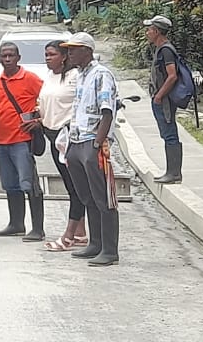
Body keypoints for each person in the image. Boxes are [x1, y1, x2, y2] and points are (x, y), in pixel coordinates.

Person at [61, 32, 120, 267]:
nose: (70, 53)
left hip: (92, 141)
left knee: (103, 197)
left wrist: (98, 142)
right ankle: (95, 243)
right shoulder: (81, 75)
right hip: (77, 140)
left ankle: (110, 249)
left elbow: (108, 110)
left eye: (74, 49)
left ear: (86, 50)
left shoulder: (101, 74)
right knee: (87, 196)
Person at [0, 42, 46, 242]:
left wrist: (39, 121)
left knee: (29, 184)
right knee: (10, 184)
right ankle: (16, 224)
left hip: (23, 140)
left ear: (18, 57)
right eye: (4, 56)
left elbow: (48, 100)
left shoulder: (30, 79)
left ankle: (38, 228)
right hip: (2, 140)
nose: (7, 59)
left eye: (11, 55)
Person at [37, 41, 88, 252]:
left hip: (68, 137)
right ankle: (81, 232)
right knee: (70, 185)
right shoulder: (50, 77)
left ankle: (68, 235)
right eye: (46, 54)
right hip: (51, 136)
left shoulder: (75, 77)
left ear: (64, 56)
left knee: (76, 187)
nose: (47, 58)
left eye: (51, 54)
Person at [144, 15, 184, 184]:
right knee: (167, 133)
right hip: (161, 98)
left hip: (165, 100)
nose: (147, 33)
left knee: (169, 134)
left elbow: (172, 76)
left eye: (150, 29)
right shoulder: (161, 49)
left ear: (157, 31)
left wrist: (159, 95)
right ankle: (171, 171)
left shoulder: (166, 50)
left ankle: (173, 173)